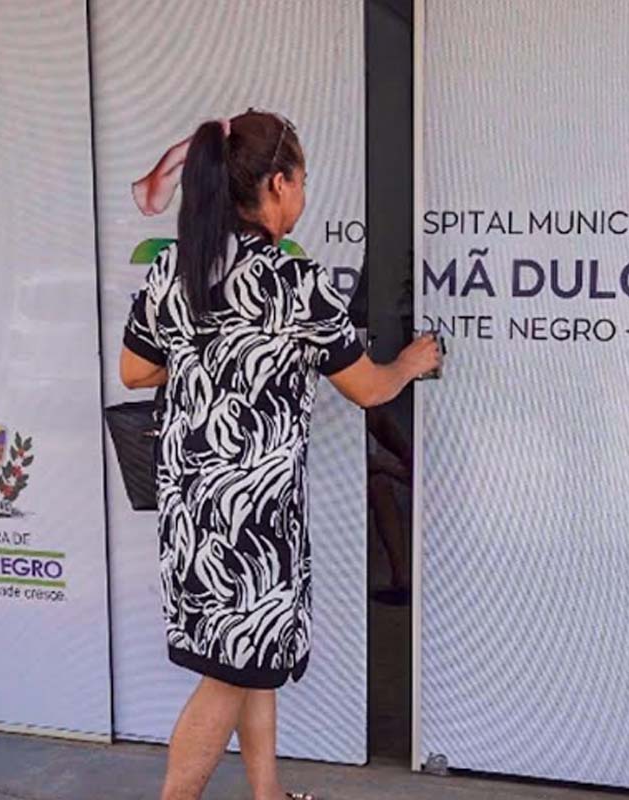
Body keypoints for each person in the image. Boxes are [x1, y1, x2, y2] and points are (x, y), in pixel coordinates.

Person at [119, 109, 441, 800]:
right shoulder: (294, 283)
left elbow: (135, 370)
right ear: (276, 183)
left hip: (191, 510)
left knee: (249, 661)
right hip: (254, 520)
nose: (303, 193)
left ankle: (267, 795)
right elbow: (368, 388)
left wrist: (213, 357)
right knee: (229, 673)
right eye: (301, 179)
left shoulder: (174, 270)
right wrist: (412, 363)